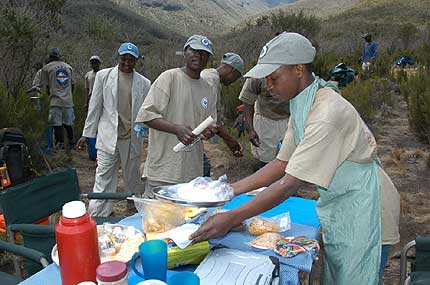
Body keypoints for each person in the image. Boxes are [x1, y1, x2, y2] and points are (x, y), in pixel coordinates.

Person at [190, 32, 400, 285]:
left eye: (274, 78)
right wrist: (228, 191)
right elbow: (282, 162)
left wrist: (231, 218)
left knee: (356, 277)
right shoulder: (303, 103)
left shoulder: (326, 112)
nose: (268, 85)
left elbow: (289, 183)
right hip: (344, 202)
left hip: (366, 206)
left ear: (299, 69)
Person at [135, 34, 218, 195]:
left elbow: (207, 124)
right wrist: (176, 129)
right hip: (164, 171)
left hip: (192, 173)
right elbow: (146, 115)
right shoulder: (170, 78)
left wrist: (208, 132)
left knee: (186, 218)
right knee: (158, 218)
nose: (198, 55)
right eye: (194, 51)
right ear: (185, 52)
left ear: (208, 58)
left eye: (204, 53)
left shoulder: (209, 88)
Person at [82, 42, 151, 217]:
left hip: (131, 137)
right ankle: (99, 215)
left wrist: (146, 133)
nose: (127, 63)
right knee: (103, 176)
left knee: (132, 178)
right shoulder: (104, 77)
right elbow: (95, 106)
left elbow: (146, 111)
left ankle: (133, 211)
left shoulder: (144, 83)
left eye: (131, 60)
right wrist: (87, 134)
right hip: (108, 136)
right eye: (123, 59)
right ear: (118, 57)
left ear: (136, 61)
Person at [200, 52, 245, 176]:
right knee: (203, 171)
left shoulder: (212, 78)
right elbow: (212, 121)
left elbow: (216, 119)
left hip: (193, 137)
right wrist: (232, 142)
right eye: (236, 76)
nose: (234, 81)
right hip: (186, 134)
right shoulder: (210, 80)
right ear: (231, 69)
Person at [239, 76, 290, 169]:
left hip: (289, 119)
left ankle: (283, 182)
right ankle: (266, 181)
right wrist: (251, 130)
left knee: (288, 157)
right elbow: (248, 103)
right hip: (265, 120)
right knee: (266, 158)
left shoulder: (294, 70)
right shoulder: (256, 77)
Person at [40, 48, 75, 150]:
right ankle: (72, 142)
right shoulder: (68, 67)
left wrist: (48, 96)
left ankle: (60, 143)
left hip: (55, 100)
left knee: (56, 123)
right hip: (68, 100)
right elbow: (73, 84)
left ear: (50, 57)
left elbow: (46, 86)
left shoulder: (46, 68)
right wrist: (68, 95)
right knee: (68, 122)